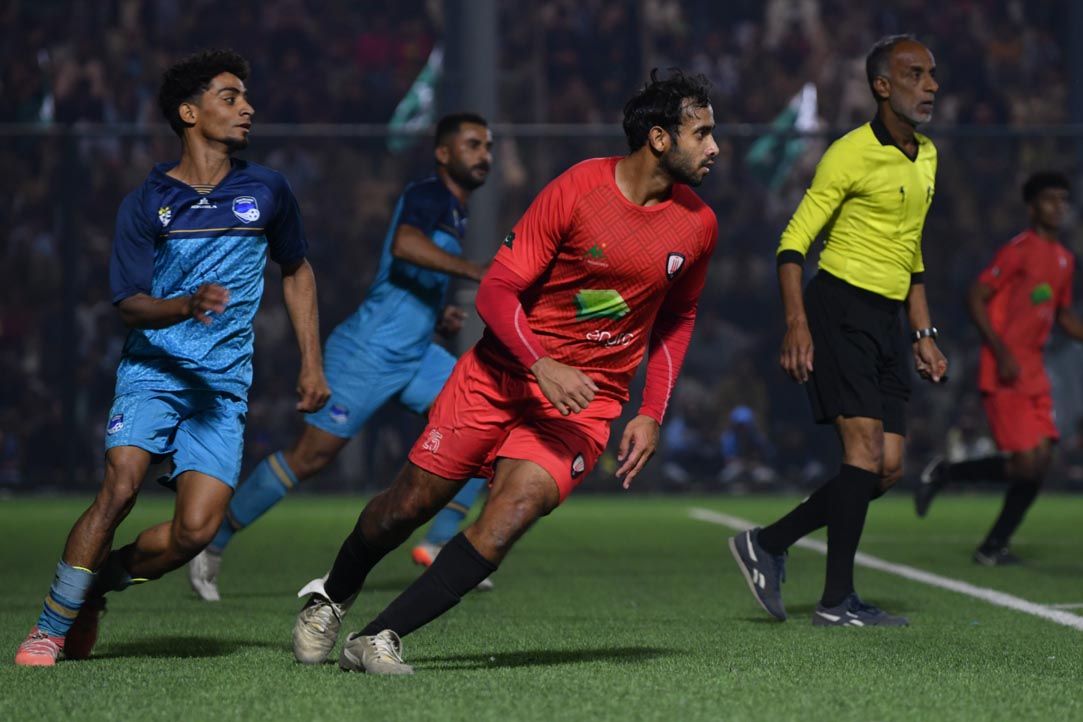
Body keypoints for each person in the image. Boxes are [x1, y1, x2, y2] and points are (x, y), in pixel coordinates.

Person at [290, 68, 718, 675]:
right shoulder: (577, 190)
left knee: (508, 518)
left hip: (585, 405)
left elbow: (678, 318)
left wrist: (651, 411)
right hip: (498, 378)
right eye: (702, 134)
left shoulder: (699, 224)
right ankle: (332, 596)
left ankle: (378, 637)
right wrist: (541, 364)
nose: (714, 148)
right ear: (658, 137)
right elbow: (496, 290)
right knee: (406, 507)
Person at [15, 48, 330, 666]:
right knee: (120, 488)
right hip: (153, 372)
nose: (247, 108)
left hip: (222, 386)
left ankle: (95, 588)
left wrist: (311, 363)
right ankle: (50, 626)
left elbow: (296, 269)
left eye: (245, 97)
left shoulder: (268, 189)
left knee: (195, 532)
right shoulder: (146, 202)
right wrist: (186, 306)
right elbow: (129, 304)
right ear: (189, 113)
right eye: (230, 98)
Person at [186, 113, 496, 602]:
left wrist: (436, 315)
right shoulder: (429, 194)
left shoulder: (456, 210)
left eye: (488, 147)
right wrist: (474, 270)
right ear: (443, 154)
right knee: (311, 456)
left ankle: (440, 544)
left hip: (415, 354)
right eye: (473, 145)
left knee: (486, 425)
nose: (485, 155)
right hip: (367, 353)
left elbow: (404, 275)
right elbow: (405, 246)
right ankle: (212, 540)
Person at [729, 34, 947, 627]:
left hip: (888, 320)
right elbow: (792, 243)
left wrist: (923, 333)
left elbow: (912, 253)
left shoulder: (927, 155)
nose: (930, 85)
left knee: (888, 467)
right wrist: (796, 325)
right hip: (839, 308)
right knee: (864, 454)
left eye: (932, 74)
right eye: (915, 74)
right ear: (882, 85)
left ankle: (769, 542)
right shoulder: (848, 153)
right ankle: (836, 601)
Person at [916, 172, 1082, 564]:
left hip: (1034, 369)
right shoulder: (1017, 251)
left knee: (1040, 464)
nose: (1058, 206)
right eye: (1050, 199)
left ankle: (992, 546)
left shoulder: (1064, 259)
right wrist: (1001, 349)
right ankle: (947, 476)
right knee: (1026, 463)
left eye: (1063, 199)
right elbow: (976, 296)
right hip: (1005, 367)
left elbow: (1062, 314)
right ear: (1032, 207)